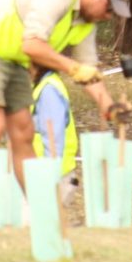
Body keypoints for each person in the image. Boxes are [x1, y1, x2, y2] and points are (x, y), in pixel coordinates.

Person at [0, 0, 131, 223]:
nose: (108, 16)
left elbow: (88, 71)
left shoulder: (84, 21)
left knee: (23, 131)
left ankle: (43, 212)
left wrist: (110, 107)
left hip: (10, 56)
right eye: (110, 8)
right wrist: (72, 67)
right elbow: (33, 45)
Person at [29, 66, 80, 207]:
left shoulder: (49, 90)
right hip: (42, 173)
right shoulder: (40, 86)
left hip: (51, 176)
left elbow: (54, 137)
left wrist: (49, 177)